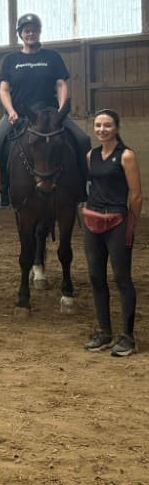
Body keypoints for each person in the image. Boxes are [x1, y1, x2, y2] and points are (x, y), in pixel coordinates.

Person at [0, 14, 90, 202]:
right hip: (19, 114)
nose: (31, 33)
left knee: (83, 139)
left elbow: (61, 84)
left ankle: (83, 186)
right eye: (26, 30)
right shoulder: (10, 60)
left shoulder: (52, 57)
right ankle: (2, 191)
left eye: (34, 30)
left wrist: (61, 110)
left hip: (50, 113)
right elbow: (4, 89)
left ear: (39, 32)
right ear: (20, 34)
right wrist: (11, 111)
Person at [81, 109, 143, 357]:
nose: (102, 130)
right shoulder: (91, 155)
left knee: (121, 278)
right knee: (96, 276)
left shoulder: (126, 156)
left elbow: (136, 195)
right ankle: (104, 332)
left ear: (117, 128)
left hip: (117, 220)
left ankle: (128, 336)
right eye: (98, 125)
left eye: (107, 126)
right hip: (93, 220)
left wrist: (131, 222)